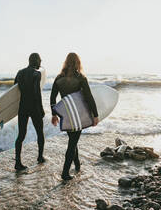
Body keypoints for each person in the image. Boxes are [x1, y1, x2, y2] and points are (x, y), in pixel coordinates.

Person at [50, 52, 99, 180]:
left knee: (73, 139)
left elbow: (52, 97)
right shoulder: (80, 78)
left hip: (65, 115)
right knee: (72, 143)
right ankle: (65, 172)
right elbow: (88, 97)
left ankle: (77, 165)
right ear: (78, 62)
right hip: (78, 115)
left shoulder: (58, 78)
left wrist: (54, 114)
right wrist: (95, 115)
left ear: (66, 62)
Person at [14, 53, 45, 171]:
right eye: (40, 60)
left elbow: (14, 91)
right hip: (34, 107)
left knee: (21, 135)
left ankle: (18, 162)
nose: (41, 62)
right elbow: (37, 92)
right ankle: (40, 157)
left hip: (22, 107)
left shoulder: (20, 72)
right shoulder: (36, 74)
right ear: (36, 61)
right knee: (40, 132)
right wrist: (41, 109)